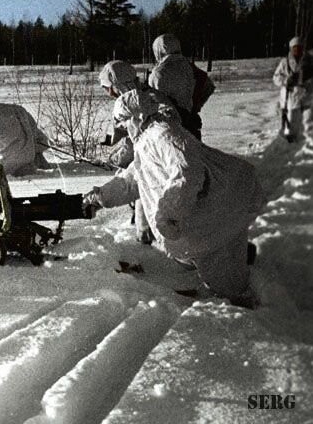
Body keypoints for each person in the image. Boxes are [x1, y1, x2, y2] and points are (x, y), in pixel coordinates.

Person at [83, 90, 264, 307]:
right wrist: (101, 197)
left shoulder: (164, 134)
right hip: (210, 210)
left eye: (123, 122)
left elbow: (188, 171)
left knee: (228, 286)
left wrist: (169, 214)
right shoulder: (147, 139)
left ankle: (252, 314)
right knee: (202, 254)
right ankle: (240, 258)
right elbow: (132, 180)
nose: (122, 128)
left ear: (137, 117)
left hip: (216, 208)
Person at [98, 60, 180, 244]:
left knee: (157, 227)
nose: (108, 93)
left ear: (117, 85)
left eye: (108, 88)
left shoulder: (141, 104)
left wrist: (116, 160)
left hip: (161, 169)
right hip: (160, 166)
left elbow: (141, 144)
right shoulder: (143, 99)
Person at [148, 33, 215, 140]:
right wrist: (195, 106)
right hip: (191, 123)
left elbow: (154, 102)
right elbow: (208, 86)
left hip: (169, 127)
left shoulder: (158, 72)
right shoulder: (189, 66)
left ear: (158, 50)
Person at [0, 94, 49, 178]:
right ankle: (26, 167)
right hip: (28, 155)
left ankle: (15, 169)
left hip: (7, 159)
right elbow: (35, 130)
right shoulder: (18, 109)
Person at [273, 36, 313, 142]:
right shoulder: (285, 62)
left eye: (299, 48)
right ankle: (288, 144)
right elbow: (275, 78)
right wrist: (286, 80)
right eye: (295, 48)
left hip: (305, 97)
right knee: (290, 122)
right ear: (291, 49)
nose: (297, 50)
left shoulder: (308, 62)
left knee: (307, 122)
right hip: (289, 98)